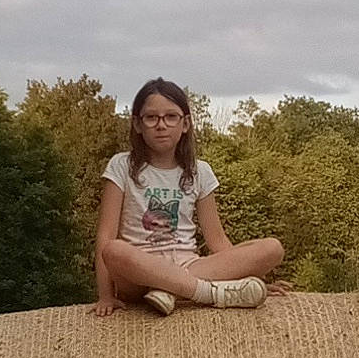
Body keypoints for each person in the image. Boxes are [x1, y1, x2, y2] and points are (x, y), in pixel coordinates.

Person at [93, 78, 285, 317]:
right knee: (113, 250)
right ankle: (208, 293)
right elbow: (105, 234)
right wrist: (105, 295)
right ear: (137, 124)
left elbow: (217, 240)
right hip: (138, 272)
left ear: (185, 124)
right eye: (151, 117)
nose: (161, 125)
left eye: (171, 117)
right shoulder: (121, 166)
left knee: (272, 248)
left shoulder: (199, 171)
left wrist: (251, 277)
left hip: (189, 264)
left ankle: (171, 289)